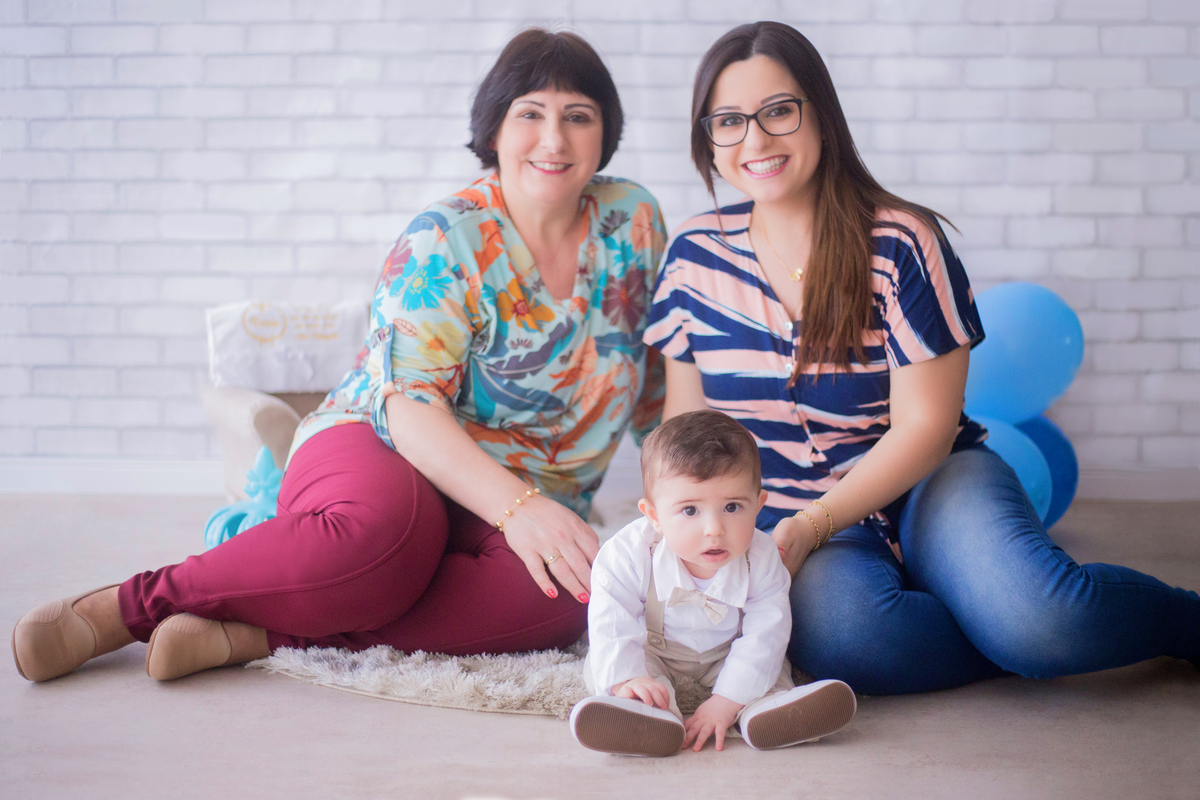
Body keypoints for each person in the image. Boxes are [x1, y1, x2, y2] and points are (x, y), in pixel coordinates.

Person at [12, 29, 668, 684]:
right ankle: (129, 607)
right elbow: (410, 408)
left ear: (603, 136)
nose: (554, 140)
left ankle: (260, 632)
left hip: (527, 493)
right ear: (493, 129)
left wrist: (683, 497)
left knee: (572, 596)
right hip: (383, 441)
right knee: (386, 541)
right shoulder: (444, 238)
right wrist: (519, 510)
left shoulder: (632, 221)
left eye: (577, 117)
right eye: (531, 113)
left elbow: (657, 373)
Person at [645, 21, 1200, 696]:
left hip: (930, 485)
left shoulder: (901, 240)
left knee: (1044, 618)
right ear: (708, 138)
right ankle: (994, 623)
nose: (755, 140)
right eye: (728, 121)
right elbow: (685, 423)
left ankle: (1176, 621)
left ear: (821, 114)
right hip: (786, 512)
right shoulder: (692, 257)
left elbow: (926, 427)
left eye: (778, 112)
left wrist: (814, 522)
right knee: (849, 639)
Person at [570, 410, 856, 756]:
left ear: (759, 505)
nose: (714, 528)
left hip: (730, 650)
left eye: (733, 507)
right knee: (613, 666)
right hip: (655, 648)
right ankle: (645, 714)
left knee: (769, 663)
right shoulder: (627, 553)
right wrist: (628, 678)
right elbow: (612, 621)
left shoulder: (762, 558)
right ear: (654, 516)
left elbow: (765, 632)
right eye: (690, 510)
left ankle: (766, 712)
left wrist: (725, 700)